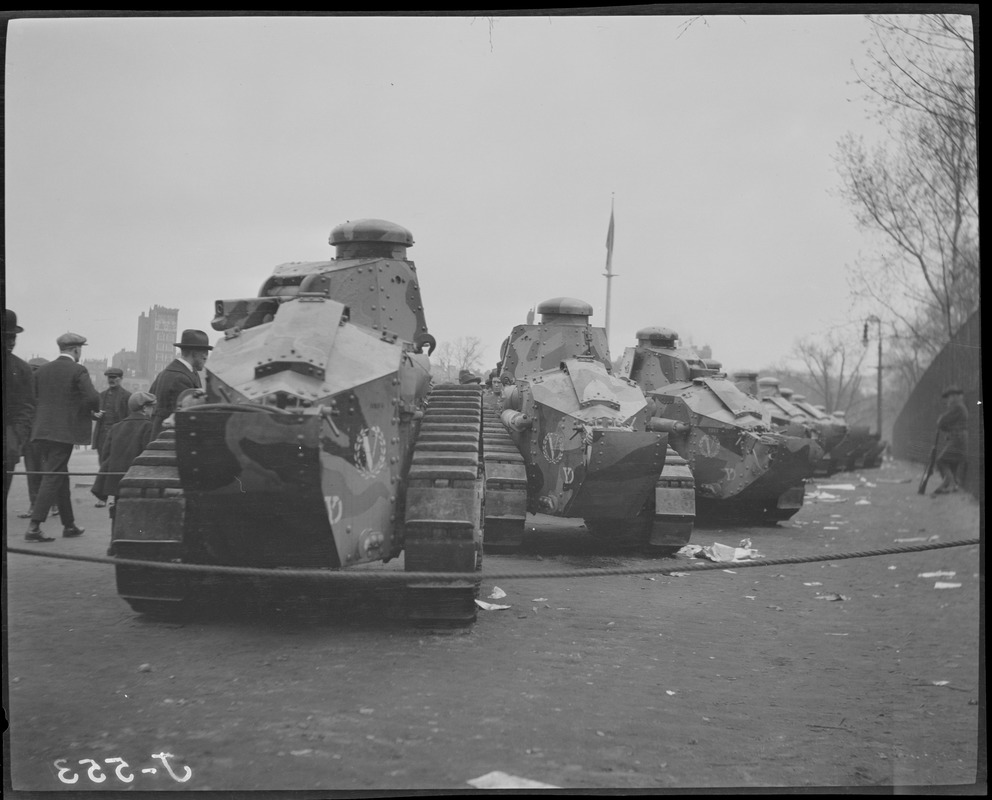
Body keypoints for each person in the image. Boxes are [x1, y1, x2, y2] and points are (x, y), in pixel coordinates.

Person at [25, 332, 101, 542]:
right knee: (53, 476)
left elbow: (32, 398)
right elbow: (93, 397)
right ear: (76, 349)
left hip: (41, 432)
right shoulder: (78, 369)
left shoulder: (42, 371)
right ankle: (34, 526)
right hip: (63, 433)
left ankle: (69, 525)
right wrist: (89, 411)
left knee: (60, 475)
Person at [95, 391, 156, 510]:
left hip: (117, 481)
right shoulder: (148, 426)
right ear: (144, 408)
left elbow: (105, 455)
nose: (152, 410)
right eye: (151, 407)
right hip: (137, 481)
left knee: (118, 512)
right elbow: (147, 456)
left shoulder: (116, 427)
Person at [148, 329, 212, 439]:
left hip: (159, 438)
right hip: (170, 441)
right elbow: (187, 417)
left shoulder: (165, 373)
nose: (206, 357)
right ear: (194, 353)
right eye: (204, 353)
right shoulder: (181, 378)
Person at [3, 310, 36, 501]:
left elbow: (27, 406)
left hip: (8, 441)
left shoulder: (22, 369)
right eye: (7, 337)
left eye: (14, 337)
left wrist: (16, 437)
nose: (12, 342)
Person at [91, 367, 131, 506]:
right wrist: (95, 415)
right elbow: (93, 413)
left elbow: (129, 418)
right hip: (103, 436)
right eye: (109, 378)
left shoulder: (127, 396)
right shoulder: (101, 396)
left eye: (115, 378)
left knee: (117, 466)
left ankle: (115, 497)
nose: (112, 380)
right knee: (103, 465)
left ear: (121, 379)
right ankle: (102, 497)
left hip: (118, 436)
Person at [933, 385, 968, 495]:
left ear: (958, 396)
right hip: (958, 438)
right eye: (949, 396)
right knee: (950, 463)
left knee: (941, 460)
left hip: (958, 438)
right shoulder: (959, 407)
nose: (950, 399)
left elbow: (941, 421)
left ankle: (952, 485)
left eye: (952, 396)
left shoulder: (957, 407)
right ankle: (947, 485)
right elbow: (947, 423)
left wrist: (942, 422)